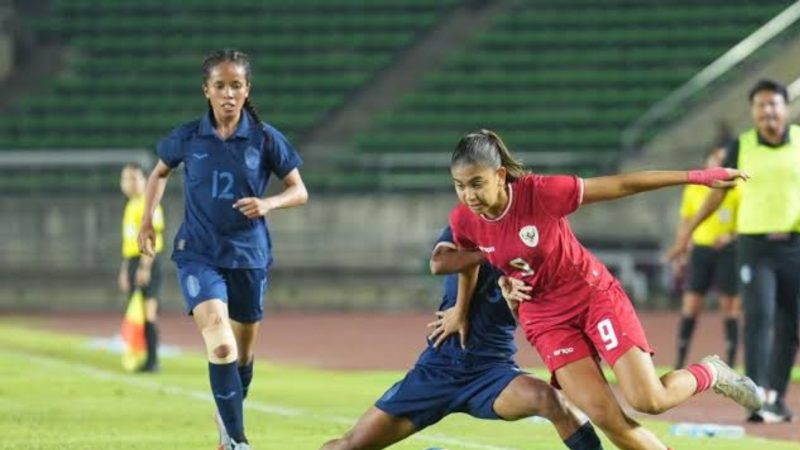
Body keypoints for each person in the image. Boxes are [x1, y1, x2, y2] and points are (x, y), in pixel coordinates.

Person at [447, 129, 761, 450]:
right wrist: (463, 307)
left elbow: (623, 184)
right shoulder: (464, 220)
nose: (469, 195)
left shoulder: (542, 193)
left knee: (650, 400)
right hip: (545, 319)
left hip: (592, 296)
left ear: (500, 175)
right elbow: (469, 258)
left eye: (476, 184)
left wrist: (696, 177)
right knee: (606, 416)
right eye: (460, 186)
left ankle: (712, 372)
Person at [137, 49, 308, 450]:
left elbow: (299, 190)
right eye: (220, 86)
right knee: (221, 342)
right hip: (199, 252)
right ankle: (238, 441)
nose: (228, 94)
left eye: (236, 85)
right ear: (206, 91)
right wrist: (147, 217)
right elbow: (159, 172)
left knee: (242, 357)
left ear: (247, 90)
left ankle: (226, 427)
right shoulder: (188, 136)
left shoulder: (266, 138)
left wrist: (268, 203)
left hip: (249, 256)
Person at [320, 226, 603, 450]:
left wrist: (516, 305)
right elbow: (441, 262)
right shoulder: (466, 224)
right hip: (439, 368)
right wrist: (459, 310)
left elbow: (538, 321)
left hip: (492, 372)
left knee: (550, 399)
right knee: (350, 446)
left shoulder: (536, 252)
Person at [669, 79, 800, 423]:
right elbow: (716, 193)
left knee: (791, 324)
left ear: (785, 108)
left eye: (773, 104)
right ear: (753, 112)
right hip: (755, 247)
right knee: (759, 316)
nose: (767, 110)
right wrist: (688, 233)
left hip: (795, 245)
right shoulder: (741, 148)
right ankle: (755, 399)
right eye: (760, 105)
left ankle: (776, 396)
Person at [667, 147, 741, 369]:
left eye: (723, 158)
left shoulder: (736, 189)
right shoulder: (694, 189)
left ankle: (731, 364)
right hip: (701, 250)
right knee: (691, 306)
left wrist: (730, 236)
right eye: (715, 157)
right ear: (706, 161)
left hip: (728, 252)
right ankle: (679, 361)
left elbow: (747, 222)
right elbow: (685, 221)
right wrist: (681, 249)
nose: (719, 161)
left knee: (730, 307)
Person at [119, 162, 166, 372]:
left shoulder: (149, 203)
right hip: (132, 261)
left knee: (148, 311)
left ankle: (153, 360)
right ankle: (141, 355)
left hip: (147, 261)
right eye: (125, 178)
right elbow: (129, 242)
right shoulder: (131, 205)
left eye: (133, 178)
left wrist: (144, 267)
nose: (129, 183)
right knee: (135, 310)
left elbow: (151, 238)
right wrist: (124, 269)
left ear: (144, 180)